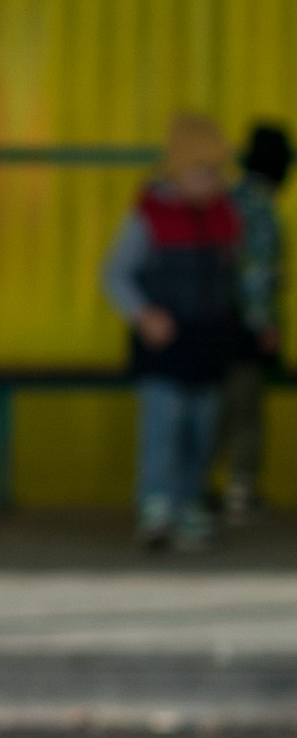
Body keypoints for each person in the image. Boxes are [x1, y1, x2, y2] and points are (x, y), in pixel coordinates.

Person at [102, 113, 244, 552]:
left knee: (202, 429)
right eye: (202, 172)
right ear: (177, 172)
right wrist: (142, 314)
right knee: (164, 425)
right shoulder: (149, 218)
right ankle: (156, 505)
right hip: (165, 346)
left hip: (208, 342)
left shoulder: (225, 217)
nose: (211, 182)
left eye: (216, 173)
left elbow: (233, 278)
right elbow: (114, 274)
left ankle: (188, 504)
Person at [218, 119, 288, 523]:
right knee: (246, 410)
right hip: (244, 324)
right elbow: (256, 274)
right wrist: (264, 324)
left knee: (220, 406)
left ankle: (199, 487)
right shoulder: (260, 207)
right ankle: (240, 491)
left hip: (216, 320)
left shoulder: (229, 197)